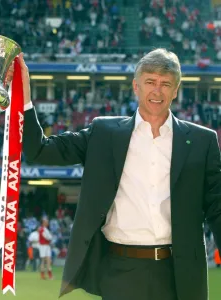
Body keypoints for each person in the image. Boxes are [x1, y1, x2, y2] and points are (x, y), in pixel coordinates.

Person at [19, 48, 221, 300]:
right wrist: (24, 99)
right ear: (136, 86)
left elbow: (217, 209)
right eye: (150, 82)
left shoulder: (203, 142)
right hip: (119, 270)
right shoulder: (104, 133)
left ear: (176, 90)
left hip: (178, 273)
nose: (157, 91)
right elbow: (40, 151)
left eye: (165, 84)